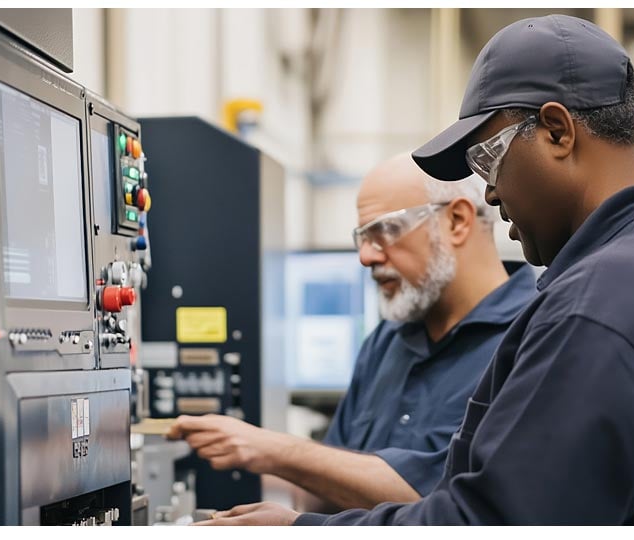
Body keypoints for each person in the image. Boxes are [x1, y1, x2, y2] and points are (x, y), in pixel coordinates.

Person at [197, 14, 634, 525]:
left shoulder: (603, 301)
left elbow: (491, 521)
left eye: (488, 162)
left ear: (558, 132)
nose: (491, 192)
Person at [168, 153, 537, 511]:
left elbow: (448, 502)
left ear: (457, 221)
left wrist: (272, 450)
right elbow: (329, 486)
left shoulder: (531, 338)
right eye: (361, 237)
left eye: (386, 230)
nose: (366, 257)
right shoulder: (387, 341)